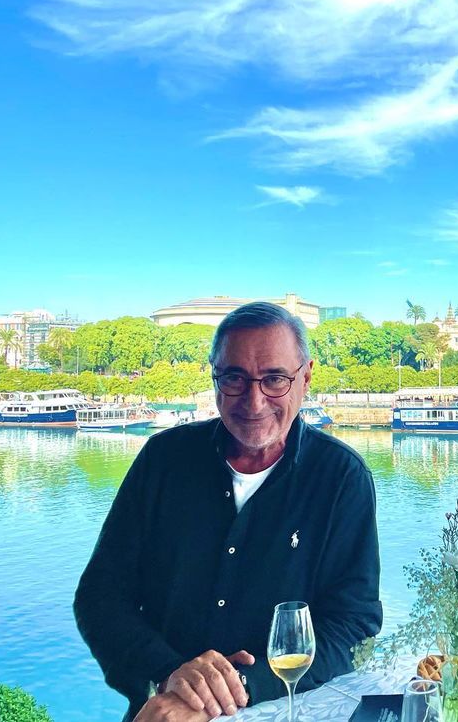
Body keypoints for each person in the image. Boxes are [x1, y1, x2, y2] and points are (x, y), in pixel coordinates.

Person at [74, 302, 382, 721]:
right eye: (234, 378)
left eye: (274, 379)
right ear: (214, 376)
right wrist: (170, 674)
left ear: (305, 377)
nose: (254, 402)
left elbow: (351, 627)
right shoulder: (163, 460)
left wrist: (236, 687)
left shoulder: (341, 479)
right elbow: (100, 596)